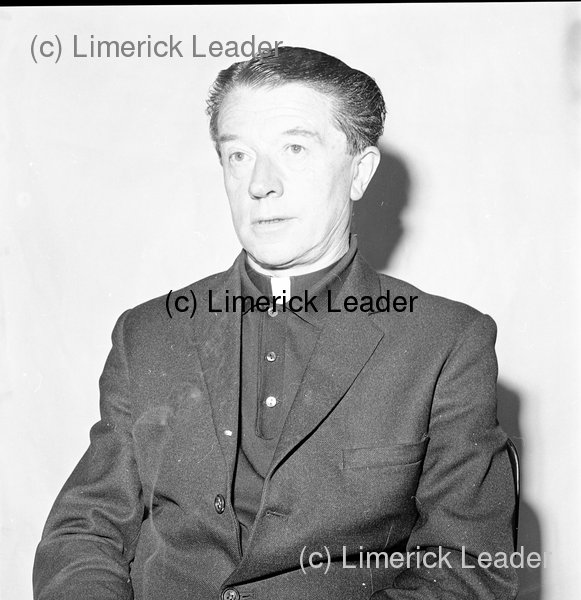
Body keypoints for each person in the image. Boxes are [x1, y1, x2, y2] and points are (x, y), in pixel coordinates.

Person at [33, 46, 518, 600]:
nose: (261, 183)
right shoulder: (148, 333)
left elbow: (467, 567)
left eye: (295, 148)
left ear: (360, 172)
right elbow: (84, 531)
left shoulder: (445, 344)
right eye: (239, 155)